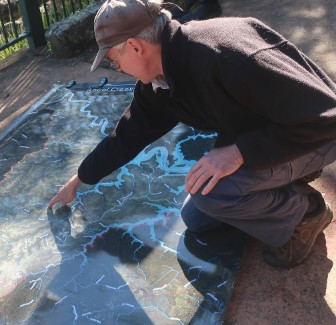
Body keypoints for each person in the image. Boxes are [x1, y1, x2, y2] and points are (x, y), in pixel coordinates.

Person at [49, 0, 336, 268]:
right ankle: (283, 181)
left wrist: (238, 153)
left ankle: (307, 213)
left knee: (215, 195)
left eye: (113, 60)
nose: (118, 69)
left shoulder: (224, 53)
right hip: (267, 132)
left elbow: (324, 118)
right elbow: (129, 134)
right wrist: (80, 178)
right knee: (198, 217)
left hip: (313, 135)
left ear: (135, 47)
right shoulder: (163, 75)